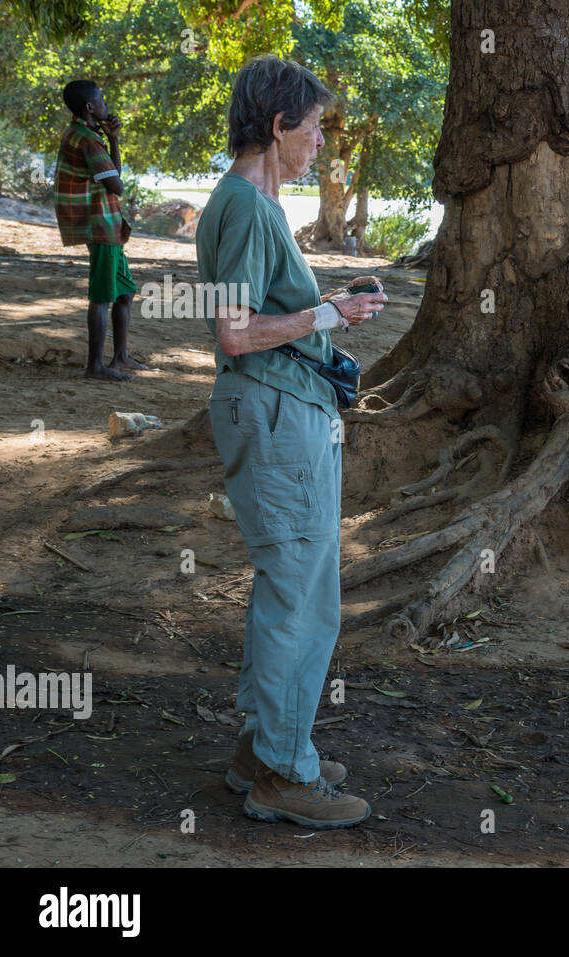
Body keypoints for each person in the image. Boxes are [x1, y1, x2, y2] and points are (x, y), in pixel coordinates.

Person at [197, 55, 388, 829]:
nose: (320, 147)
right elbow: (234, 332)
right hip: (274, 413)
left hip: (282, 410)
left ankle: (266, 746)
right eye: (312, 130)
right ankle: (282, 771)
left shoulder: (253, 203)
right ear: (278, 127)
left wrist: (332, 313)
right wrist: (330, 316)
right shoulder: (244, 205)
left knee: (293, 591)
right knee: (303, 602)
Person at [53, 80, 144, 382]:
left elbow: (111, 178)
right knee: (102, 296)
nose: (106, 104)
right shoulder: (88, 141)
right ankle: (95, 366)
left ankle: (119, 357)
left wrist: (114, 139)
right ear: (90, 107)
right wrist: (109, 142)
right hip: (99, 223)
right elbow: (116, 184)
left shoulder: (85, 133)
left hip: (107, 222)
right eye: (102, 99)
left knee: (125, 293)